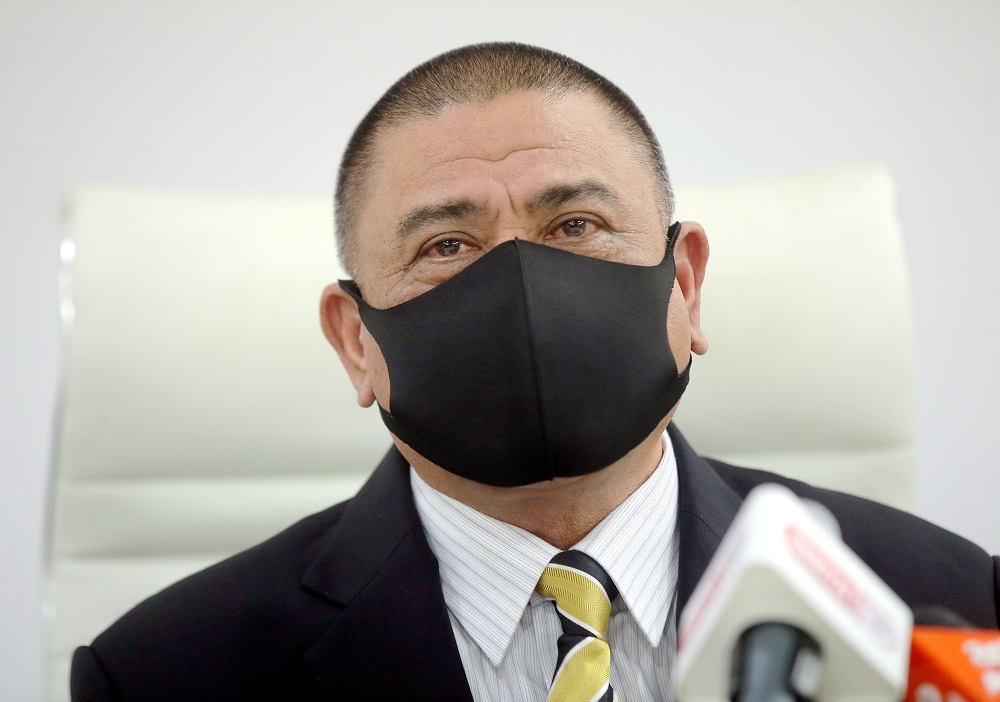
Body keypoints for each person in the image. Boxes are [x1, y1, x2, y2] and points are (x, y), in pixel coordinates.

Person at [70, 42, 999, 702]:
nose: (521, 285)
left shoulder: (942, 609)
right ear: (357, 341)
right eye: (447, 244)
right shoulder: (165, 674)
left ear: (685, 284)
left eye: (575, 226)